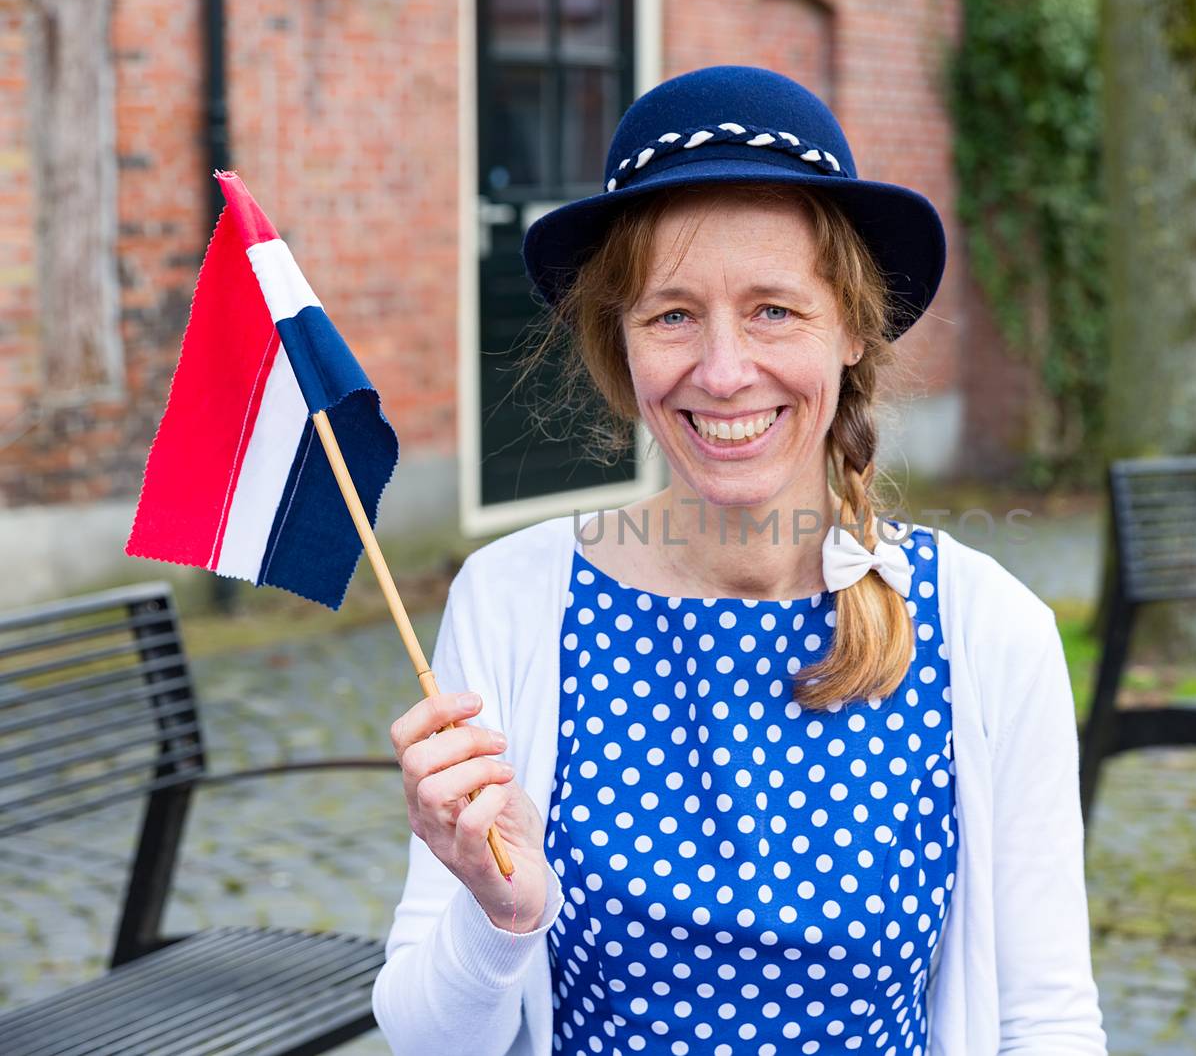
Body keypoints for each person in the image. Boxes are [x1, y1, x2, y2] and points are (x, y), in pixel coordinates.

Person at [372, 65, 1106, 1055]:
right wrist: (500, 909)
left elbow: (1046, 1021)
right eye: (672, 313)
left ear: (850, 326)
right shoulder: (513, 604)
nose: (721, 372)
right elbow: (425, 1040)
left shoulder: (985, 630)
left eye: (773, 309)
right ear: (621, 345)